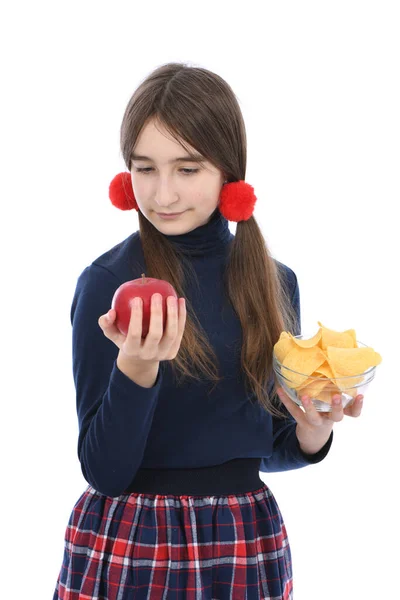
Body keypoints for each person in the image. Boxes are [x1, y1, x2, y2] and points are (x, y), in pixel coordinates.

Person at [52, 62, 364, 600]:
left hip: (243, 537)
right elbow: (104, 470)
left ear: (228, 170)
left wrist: (313, 433)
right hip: (134, 540)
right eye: (145, 168)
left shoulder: (274, 283)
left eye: (188, 169)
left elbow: (259, 446)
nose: (163, 194)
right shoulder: (107, 282)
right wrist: (137, 368)